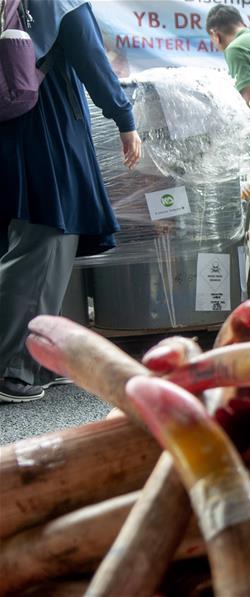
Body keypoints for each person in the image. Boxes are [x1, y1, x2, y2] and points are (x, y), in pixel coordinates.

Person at [1, 0, 140, 402]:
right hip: (45, 126)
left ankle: (38, 358)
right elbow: (90, 55)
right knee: (44, 242)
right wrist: (124, 118)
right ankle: (11, 365)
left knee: (42, 242)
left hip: (15, 121)